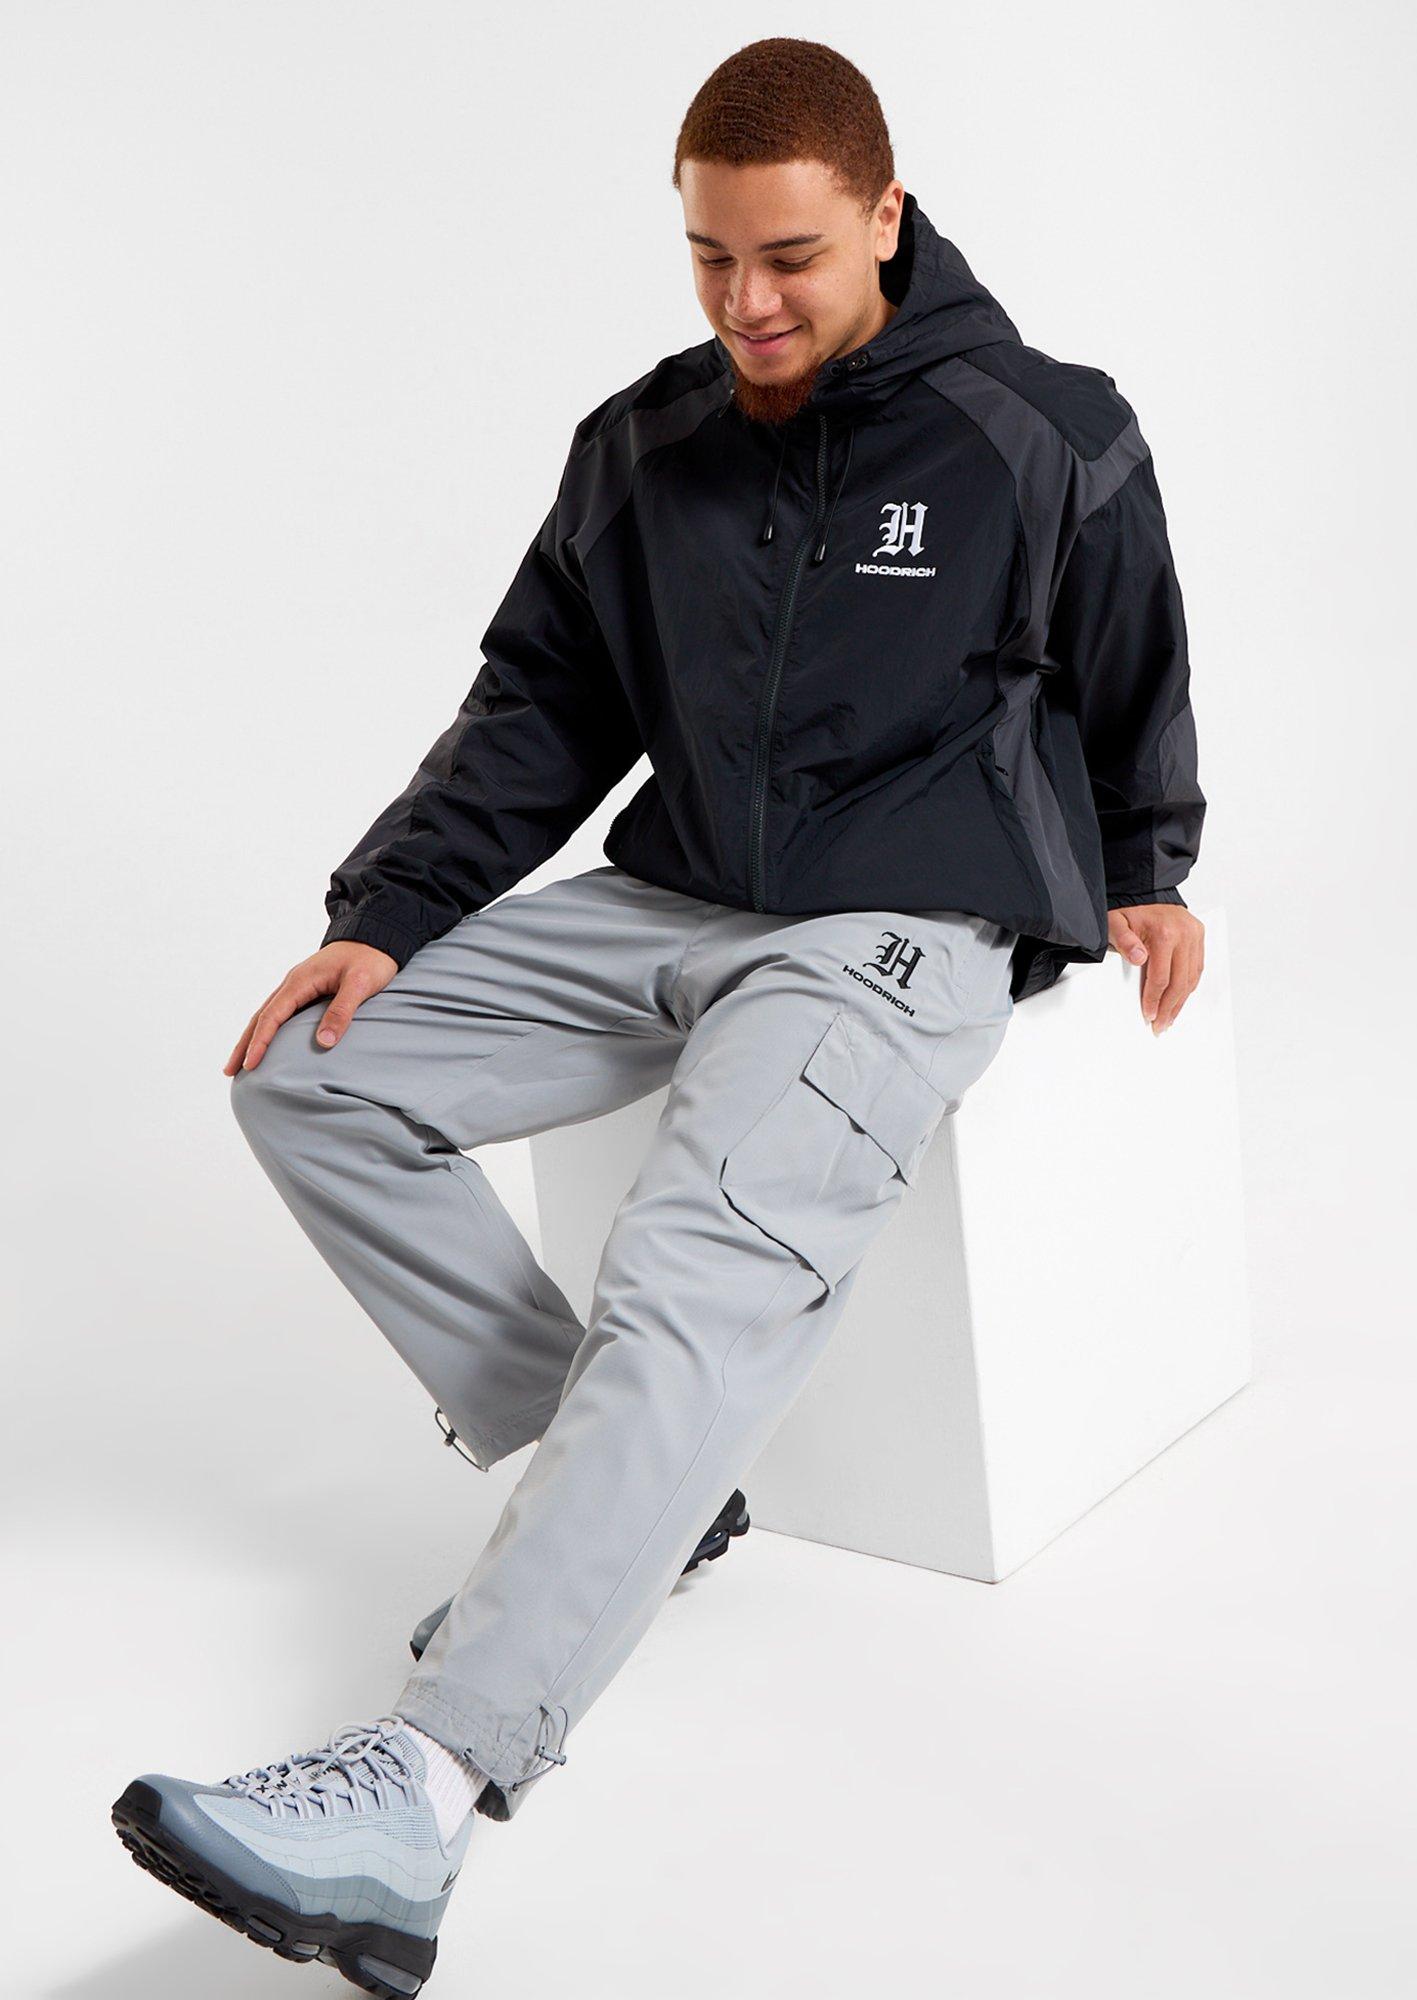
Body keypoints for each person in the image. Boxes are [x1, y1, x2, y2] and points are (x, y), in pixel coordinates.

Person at [111, 36, 1206, 1997]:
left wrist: (1146, 859)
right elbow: (542, 700)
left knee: (697, 1258)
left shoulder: (1041, 430)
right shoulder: (645, 443)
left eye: (787, 256)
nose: (745, 302)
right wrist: (388, 916)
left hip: (892, 923)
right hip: (672, 896)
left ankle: (423, 1788)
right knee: (309, 1079)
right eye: (709, 257)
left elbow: (1133, 662)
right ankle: (625, 1490)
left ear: (884, 215)